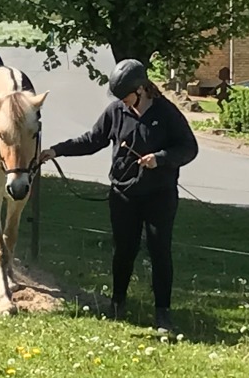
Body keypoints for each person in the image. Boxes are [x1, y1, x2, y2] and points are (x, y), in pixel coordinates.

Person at [40, 58, 198, 333]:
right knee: (123, 250)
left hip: (159, 196)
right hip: (123, 194)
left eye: (126, 97)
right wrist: (56, 150)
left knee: (160, 251)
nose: (123, 102)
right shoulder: (116, 112)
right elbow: (92, 140)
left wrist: (160, 159)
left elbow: (189, 148)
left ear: (141, 90)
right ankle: (118, 303)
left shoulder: (166, 112)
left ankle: (163, 314)